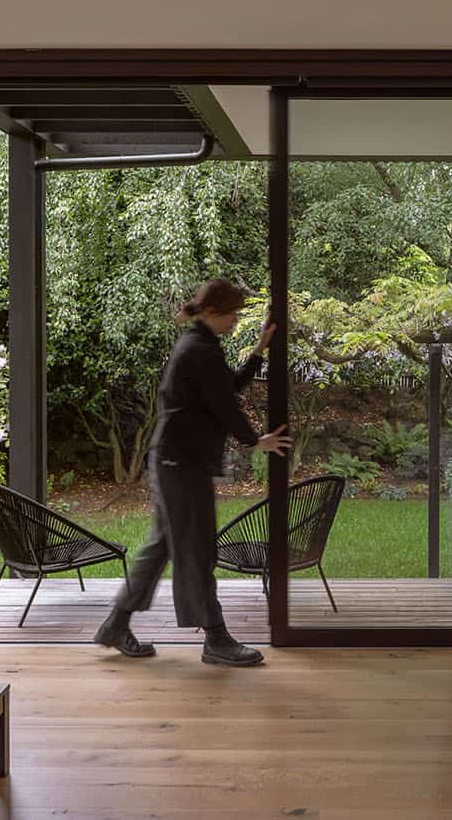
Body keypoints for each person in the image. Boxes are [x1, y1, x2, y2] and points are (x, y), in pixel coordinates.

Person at [94, 278, 291, 666]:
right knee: (198, 550)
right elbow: (224, 404)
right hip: (181, 465)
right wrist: (255, 440)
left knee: (161, 549)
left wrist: (258, 350)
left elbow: (225, 386)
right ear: (214, 312)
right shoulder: (197, 348)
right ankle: (215, 637)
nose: (237, 319)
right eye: (233, 312)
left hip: (176, 462)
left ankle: (116, 625)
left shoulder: (202, 345)